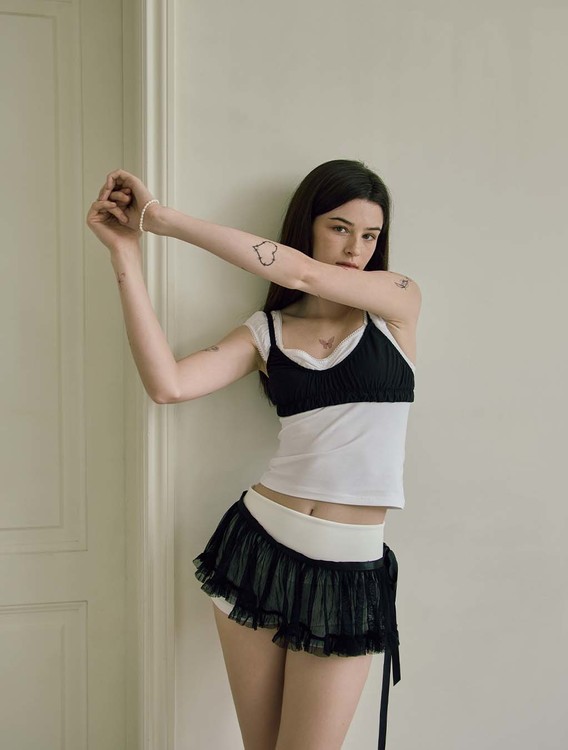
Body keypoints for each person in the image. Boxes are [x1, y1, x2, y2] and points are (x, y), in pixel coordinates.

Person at [86, 159, 421, 750]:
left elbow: (305, 273)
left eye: (370, 235)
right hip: (259, 548)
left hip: (347, 567)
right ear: (307, 225)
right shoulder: (266, 331)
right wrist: (126, 255)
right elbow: (168, 384)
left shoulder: (396, 301)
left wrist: (159, 217)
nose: (355, 250)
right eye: (339, 228)